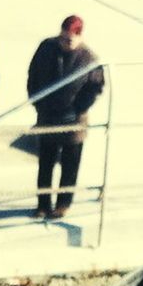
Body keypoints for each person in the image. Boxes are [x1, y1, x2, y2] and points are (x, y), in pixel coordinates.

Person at [27, 14, 104, 219]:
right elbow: (33, 75)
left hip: (73, 121)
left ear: (79, 37)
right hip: (48, 116)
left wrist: (78, 109)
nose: (64, 44)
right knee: (45, 164)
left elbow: (95, 88)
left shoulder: (89, 59)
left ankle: (63, 204)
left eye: (69, 40)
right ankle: (43, 203)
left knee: (70, 165)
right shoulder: (46, 48)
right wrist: (37, 102)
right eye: (62, 38)